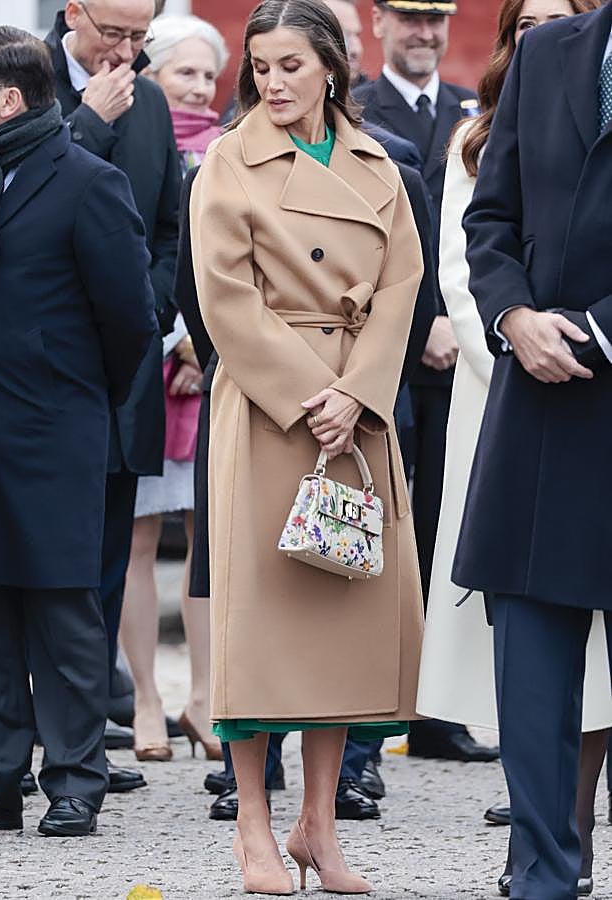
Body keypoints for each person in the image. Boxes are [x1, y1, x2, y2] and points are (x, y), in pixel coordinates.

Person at [191, 0, 425, 892]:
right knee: (259, 627)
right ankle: (252, 822)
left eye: (290, 64)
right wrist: (305, 395)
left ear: (329, 64)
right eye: (259, 66)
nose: (273, 82)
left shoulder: (379, 165)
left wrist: (358, 392)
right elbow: (223, 296)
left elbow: (403, 286)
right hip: (267, 410)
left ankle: (317, 827)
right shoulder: (228, 160)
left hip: (353, 417)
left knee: (340, 628)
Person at [416, 0, 610, 894]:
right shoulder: (549, 53)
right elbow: (489, 220)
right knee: (529, 678)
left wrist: (594, 332)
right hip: (540, 410)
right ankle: (541, 876)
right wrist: (511, 315)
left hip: (585, 365)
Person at [0, 26, 158, 837]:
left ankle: (72, 780)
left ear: (6, 98)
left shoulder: (85, 179)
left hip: (56, 426)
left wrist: (77, 391)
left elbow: (130, 317)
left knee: (62, 609)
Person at [45, 0, 181, 791]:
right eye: (113, 33)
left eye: (140, 37)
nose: (125, 52)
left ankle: (81, 741)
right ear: (73, 12)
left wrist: (149, 309)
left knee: (101, 560)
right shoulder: (18, 81)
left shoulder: (152, 100)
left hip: (123, 369)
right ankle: (18, 740)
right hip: (33, 371)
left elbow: (166, 229)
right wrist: (87, 123)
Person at [355, 0, 494, 764]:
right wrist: (424, 322)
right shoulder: (357, 108)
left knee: (446, 534)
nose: (424, 33)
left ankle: (437, 712)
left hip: (456, 365)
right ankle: (369, 718)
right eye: (408, 19)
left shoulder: (468, 113)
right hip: (391, 361)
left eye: (435, 20)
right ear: (380, 24)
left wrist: (452, 322)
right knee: (371, 531)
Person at [119, 13, 228, 763]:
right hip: (144, 362)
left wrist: (205, 344)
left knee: (209, 543)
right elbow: (133, 244)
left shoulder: (231, 152)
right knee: (137, 537)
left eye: (206, 73)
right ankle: (145, 699)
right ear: (151, 75)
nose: (197, 85)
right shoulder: (133, 139)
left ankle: (204, 695)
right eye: (182, 71)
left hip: (209, 369)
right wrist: (170, 337)